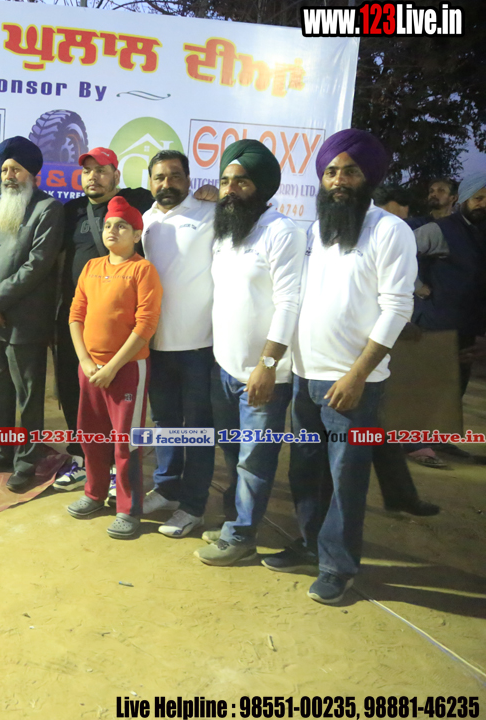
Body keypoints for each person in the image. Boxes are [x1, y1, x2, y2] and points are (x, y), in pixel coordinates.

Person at [277, 129, 416, 604]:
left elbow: (397, 308)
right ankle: (310, 543)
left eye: (350, 171)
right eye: (331, 172)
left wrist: (357, 375)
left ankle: (338, 566)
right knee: (306, 472)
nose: (339, 180)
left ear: (368, 177)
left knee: (346, 479)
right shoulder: (314, 231)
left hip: (355, 384)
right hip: (305, 377)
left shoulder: (390, 230)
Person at [193, 140, 306, 566]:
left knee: (255, 460)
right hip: (223, 368)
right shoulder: (227, 231)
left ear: (262, 186)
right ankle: (235, 521)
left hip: (264, 375)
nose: (230, 189)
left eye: (241, 182)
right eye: (225, 181)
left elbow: (289, 303)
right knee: (232, 452)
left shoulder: (282, 231)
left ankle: (241, 537)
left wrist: (268, 365)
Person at [53, 147, 154, 492]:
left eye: (101, 170)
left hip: (120, 326)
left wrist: (207, 194)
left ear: (116, 175)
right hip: (76, 321)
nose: (93, 177)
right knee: (75, 393)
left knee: (119, 402)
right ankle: (82, 459)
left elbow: (172, 196)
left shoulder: (138, 200)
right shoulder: (70, 211)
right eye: (87, 171)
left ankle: (115, 470)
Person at [0, 136, 64, 492]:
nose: (9, 176)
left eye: (16, 170)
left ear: (32, 174)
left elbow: (36, 265)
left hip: (25, 322)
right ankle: (1, 450)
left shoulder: (48, 209)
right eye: (5, 170)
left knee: (27, 397)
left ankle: (26, 461)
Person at [64, 196, 161, 539]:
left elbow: (145, 326)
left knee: (125, 443)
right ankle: (93, 493)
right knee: (91, 436)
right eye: (108, 225)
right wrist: (86, 361)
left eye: (121, 226)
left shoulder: (142, 270)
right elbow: (76, 315)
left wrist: (112, 367)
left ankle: (127, 508)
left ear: (136, 235)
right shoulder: (91, 267)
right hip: (90, 370)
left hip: (128, 370)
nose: (112, 230)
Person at [138, 149, 217, 538]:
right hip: (156, 344)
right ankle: (167, 488)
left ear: (188, 179)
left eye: (174, 176)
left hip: (199, 345)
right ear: (150, 182)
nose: (166, 184)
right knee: (165, 422)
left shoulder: (209, 213)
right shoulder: (146, 220)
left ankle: (193, 506)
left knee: (198, 428)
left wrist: (220, 194)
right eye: (159, 177)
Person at [412, 170, 486, 396]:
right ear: (463, 198)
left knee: (453, 396)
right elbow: (395, 253)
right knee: (429, 396)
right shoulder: (440, 229)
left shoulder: (481, 230)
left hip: (467, 332)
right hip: (435, 329)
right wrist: (416, 286)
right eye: (478, 198)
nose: (483, 204)